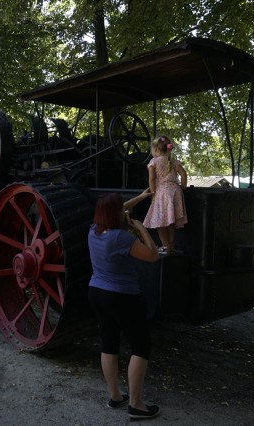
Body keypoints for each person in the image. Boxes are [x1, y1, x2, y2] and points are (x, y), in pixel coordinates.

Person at [88, 191, 161, 420]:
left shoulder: (93, 230)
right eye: (121, 210)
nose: (124, 211)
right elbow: (153, 255)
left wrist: (140, 197)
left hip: (97, 292)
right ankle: (136, 405)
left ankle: (115, 396)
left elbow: (115, 210)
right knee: (141, 346)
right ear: (116, 215)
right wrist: (141, 229)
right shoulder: (121, 238)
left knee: (109, 343)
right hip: (122, 297)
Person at [142, 135, 188, 253]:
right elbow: (183, 174)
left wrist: (153, 193)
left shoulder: (154, 162)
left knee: (159, 221)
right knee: (171, 221)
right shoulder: (173, 161)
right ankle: (171, 245)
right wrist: (183, 187)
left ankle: (165, 245)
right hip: (175, 192)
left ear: (156, 149)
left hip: (162, 193)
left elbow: (152, 179)